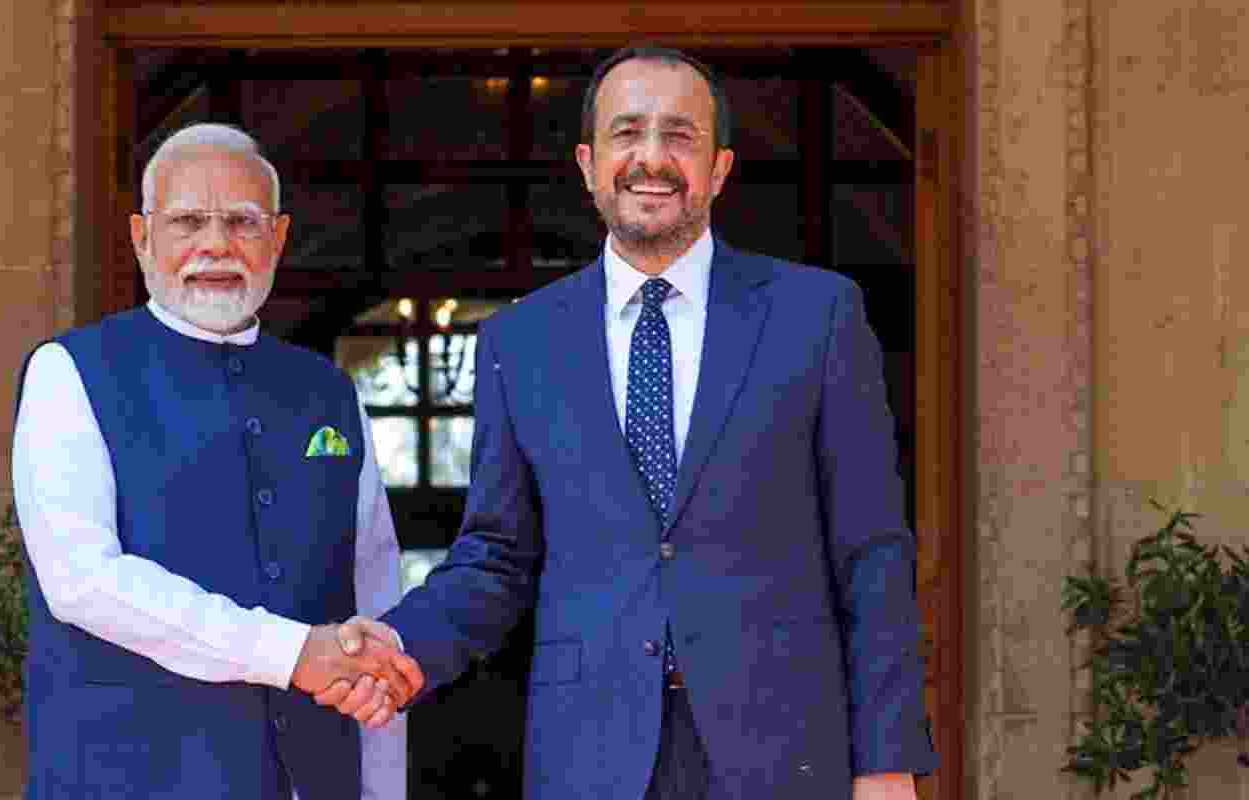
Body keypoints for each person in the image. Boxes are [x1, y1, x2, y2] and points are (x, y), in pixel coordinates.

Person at [323, 46, 938, 799]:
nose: (651, 157)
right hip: (591, 755)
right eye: (627, 133)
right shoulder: (521, 344)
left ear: (718, 168)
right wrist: (404, 641)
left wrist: (887, 760)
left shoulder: (819, 317)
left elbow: (871, 553)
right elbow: (497, 556)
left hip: (785, 751)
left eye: (680, 135)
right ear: (588, 164)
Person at [12, 123, 423, 800]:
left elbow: (372, 595)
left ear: (279, 238)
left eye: (242, 221)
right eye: (188, 221)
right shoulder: (72, 372)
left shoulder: (327, 390)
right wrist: (291, 653)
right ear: (142, 237)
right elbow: (82, 580)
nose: (216, 244)